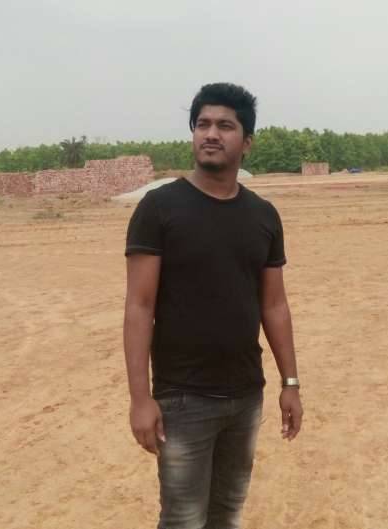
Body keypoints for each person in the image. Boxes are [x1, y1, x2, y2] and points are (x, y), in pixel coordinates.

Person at [123, 82, 302, 529]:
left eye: (225, 125)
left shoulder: (263, 215)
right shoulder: (159, 208)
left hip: (245, 394)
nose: (211, 134)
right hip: (183, 398)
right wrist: (140, 398)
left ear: (247, 141)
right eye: (202, 124)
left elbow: (274, 305)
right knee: (183, 519)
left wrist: (291, 382)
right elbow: (139, 306)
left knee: (227, 515)